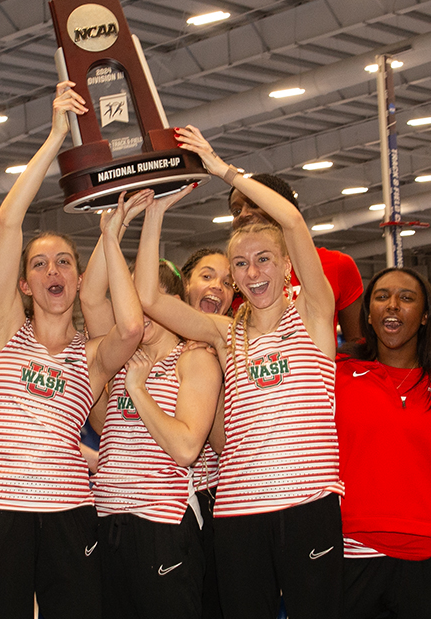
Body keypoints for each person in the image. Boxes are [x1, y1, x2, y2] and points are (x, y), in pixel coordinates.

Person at [136, 124, 343, 619]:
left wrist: (222, 169)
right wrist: (156, 212)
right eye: (241, 266)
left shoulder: (313, 315)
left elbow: (292, 223)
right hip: (237, 515)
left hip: (307, 507)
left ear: (288, 264)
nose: (253, 274)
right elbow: (148, 297)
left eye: (264, 260)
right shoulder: (226, 333)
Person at [0, 81, 144, 618]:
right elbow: (7, 222)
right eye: (38, 264)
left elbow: (131, 329)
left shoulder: (90, 354)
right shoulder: (0, 333)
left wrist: (111, 237)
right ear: (22, 286)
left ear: (77, 275)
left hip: (68, 511)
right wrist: (56, 136)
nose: (52, 270)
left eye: (63, 260)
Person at [81, 195, 222, 619]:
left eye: (147, 301)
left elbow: (184, 448)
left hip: (163, 522)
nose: (136, 311)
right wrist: (111, 231)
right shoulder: (124, 348)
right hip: (110, 517)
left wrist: (139, 391)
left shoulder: (194, 358)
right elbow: (90, 298)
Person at [336, 267, 431, 618]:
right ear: (368, 315)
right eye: (381, 297)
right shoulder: (336, 373)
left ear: (425, 317)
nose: (392, 305)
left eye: (406, 298)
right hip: (354, 550)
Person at [227, 172, 363, 341]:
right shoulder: (235, 274)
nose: (243, 214)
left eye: (255, 204)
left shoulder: (336, 264)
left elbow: (358, 345)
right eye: (236, 211)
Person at [181, 247, 234, 619]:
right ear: (186, 285)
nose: (218, 286)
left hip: (214, 499)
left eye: (228, 282)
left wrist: (214, 365)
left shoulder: (237, 349)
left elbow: (219, 443)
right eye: (207, 275)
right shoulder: (154, 346)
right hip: (159, 506)